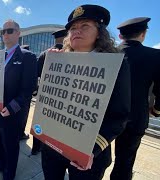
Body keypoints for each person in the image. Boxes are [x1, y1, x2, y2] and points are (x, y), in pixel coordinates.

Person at [41, 5, 131, 180]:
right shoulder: (59, 60)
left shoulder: (115, 65)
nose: (76, 31)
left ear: (99, 32)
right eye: (73, 28)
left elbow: (119, 116)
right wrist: (50, 63)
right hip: (52, 146)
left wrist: (92, 149)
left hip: (87, 152)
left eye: (85, 26)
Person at [0, 19, 38, 180]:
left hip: (12, 111)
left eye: (10, 31)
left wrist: (13, 107)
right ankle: (1, 163)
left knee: (11, 144)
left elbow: (29, 89)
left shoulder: (28, 56)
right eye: (3, 32)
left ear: (18, 33)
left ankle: (9, 172)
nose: (5, 34)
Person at [110, 17, 160, 180]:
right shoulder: (155, 56)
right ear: (143, 34)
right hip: (135, 116)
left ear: (120, 36)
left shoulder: (107, 53)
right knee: (124, 162)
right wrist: (157, 109)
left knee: (95, 158)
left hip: (103, 115)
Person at [31, 28, 68, 156]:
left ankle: (36, 148)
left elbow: (36, 74)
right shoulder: (69, 53)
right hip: (61, 98)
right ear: (65, 38)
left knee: (40, 122)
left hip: (44, 95)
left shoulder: (44, 53)